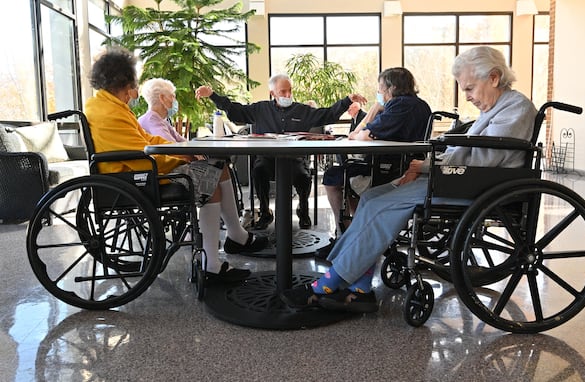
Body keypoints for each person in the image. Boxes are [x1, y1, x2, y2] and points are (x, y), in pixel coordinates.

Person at [281, 46, 537, 313]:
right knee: (370, 197)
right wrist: (425, 166)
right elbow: (470, 155)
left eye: (470, 88)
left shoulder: (514, 109)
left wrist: (426, 167)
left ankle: (330, 283)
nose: (467, 96)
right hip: (461, 180)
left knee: (382, 206)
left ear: (494, 77)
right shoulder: (496, 108)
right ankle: (359, 286)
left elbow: (480, 162)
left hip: (473, 187)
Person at [84, 48, 268, 286]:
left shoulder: (109, 106)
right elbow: (143, 155)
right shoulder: (109, 112)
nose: (135, 91)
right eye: (133, 84)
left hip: (137, 171)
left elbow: (147, 141)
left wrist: (183, 152)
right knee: (209, 178)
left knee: (216, 168)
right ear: (125, 83)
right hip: (135, 178)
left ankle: (235, 237)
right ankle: (213, 264)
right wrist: (183, 156)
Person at [195, 75, 367, 230]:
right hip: (268, 161)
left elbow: (327, 115)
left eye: (290, 91)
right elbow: (235, 111)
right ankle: (264, 212)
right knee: (259, 171)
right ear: (272, 93)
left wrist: (347, 101)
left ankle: (303, 209)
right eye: (282, 91)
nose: (287, 95)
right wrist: (212, 95)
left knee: (304, 177)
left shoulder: (302, 110)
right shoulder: (260, 109)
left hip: (295, 161)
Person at [317, 67, 432, 259]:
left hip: (388, 169)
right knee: (344, 173)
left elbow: (364, 135)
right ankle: (356, 232)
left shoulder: (399, 105)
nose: (379, 93)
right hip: (402, 163)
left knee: (333, 177)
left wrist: (372, 111)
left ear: (391, 88)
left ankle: (345, 236)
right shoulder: (421, 105)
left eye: (380, 88)